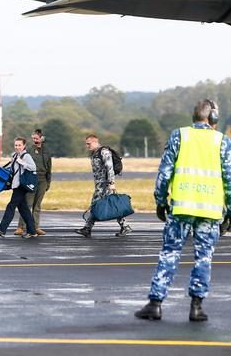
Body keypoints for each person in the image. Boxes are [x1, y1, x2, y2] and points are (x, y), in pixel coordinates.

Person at [135, 99, 231, 322]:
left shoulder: (180, 135)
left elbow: (164, 172)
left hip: (181, 208)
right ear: (213, 118)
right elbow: (229, 179)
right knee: (204, 257)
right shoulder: (222, 142)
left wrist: (160, 201)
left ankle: (155, 304)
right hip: (210, 211)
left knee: (170, 253)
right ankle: (196, 307)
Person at [75, 134, 132, 237]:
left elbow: (109, 168)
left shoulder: (104, 152)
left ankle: (88, 228)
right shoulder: (94, 153)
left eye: (89, 144)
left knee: (97, 204)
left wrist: (111, 183)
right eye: (86, 144)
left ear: (95, 142)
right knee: (108, 205)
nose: (87, 146)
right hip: (99, 184)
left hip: (105, 184)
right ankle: (124, 226)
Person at [0, 137, 37, 239]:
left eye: (19, 145)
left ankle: (1, 229)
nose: (17, 147)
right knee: (23, 209)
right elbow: (12, 169)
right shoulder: (15, 155)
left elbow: (33, 167)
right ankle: (32, 231)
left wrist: (22, 163)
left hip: (22, 185)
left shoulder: (26, 156)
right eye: (16, 145)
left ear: (24, 146)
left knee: (11, 206)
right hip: (16, 185)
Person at [14, 129, 52, 236]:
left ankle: (36, 227)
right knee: (27, 204)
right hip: (32, 179)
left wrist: (48, 182)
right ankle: (21, 227)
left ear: (42, 138)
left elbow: (49, 168)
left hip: (43, 179)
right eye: (33, 138)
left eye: (37, 138)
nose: (35, 140)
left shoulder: (47, 151)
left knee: (37, 205)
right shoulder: (29, 150)